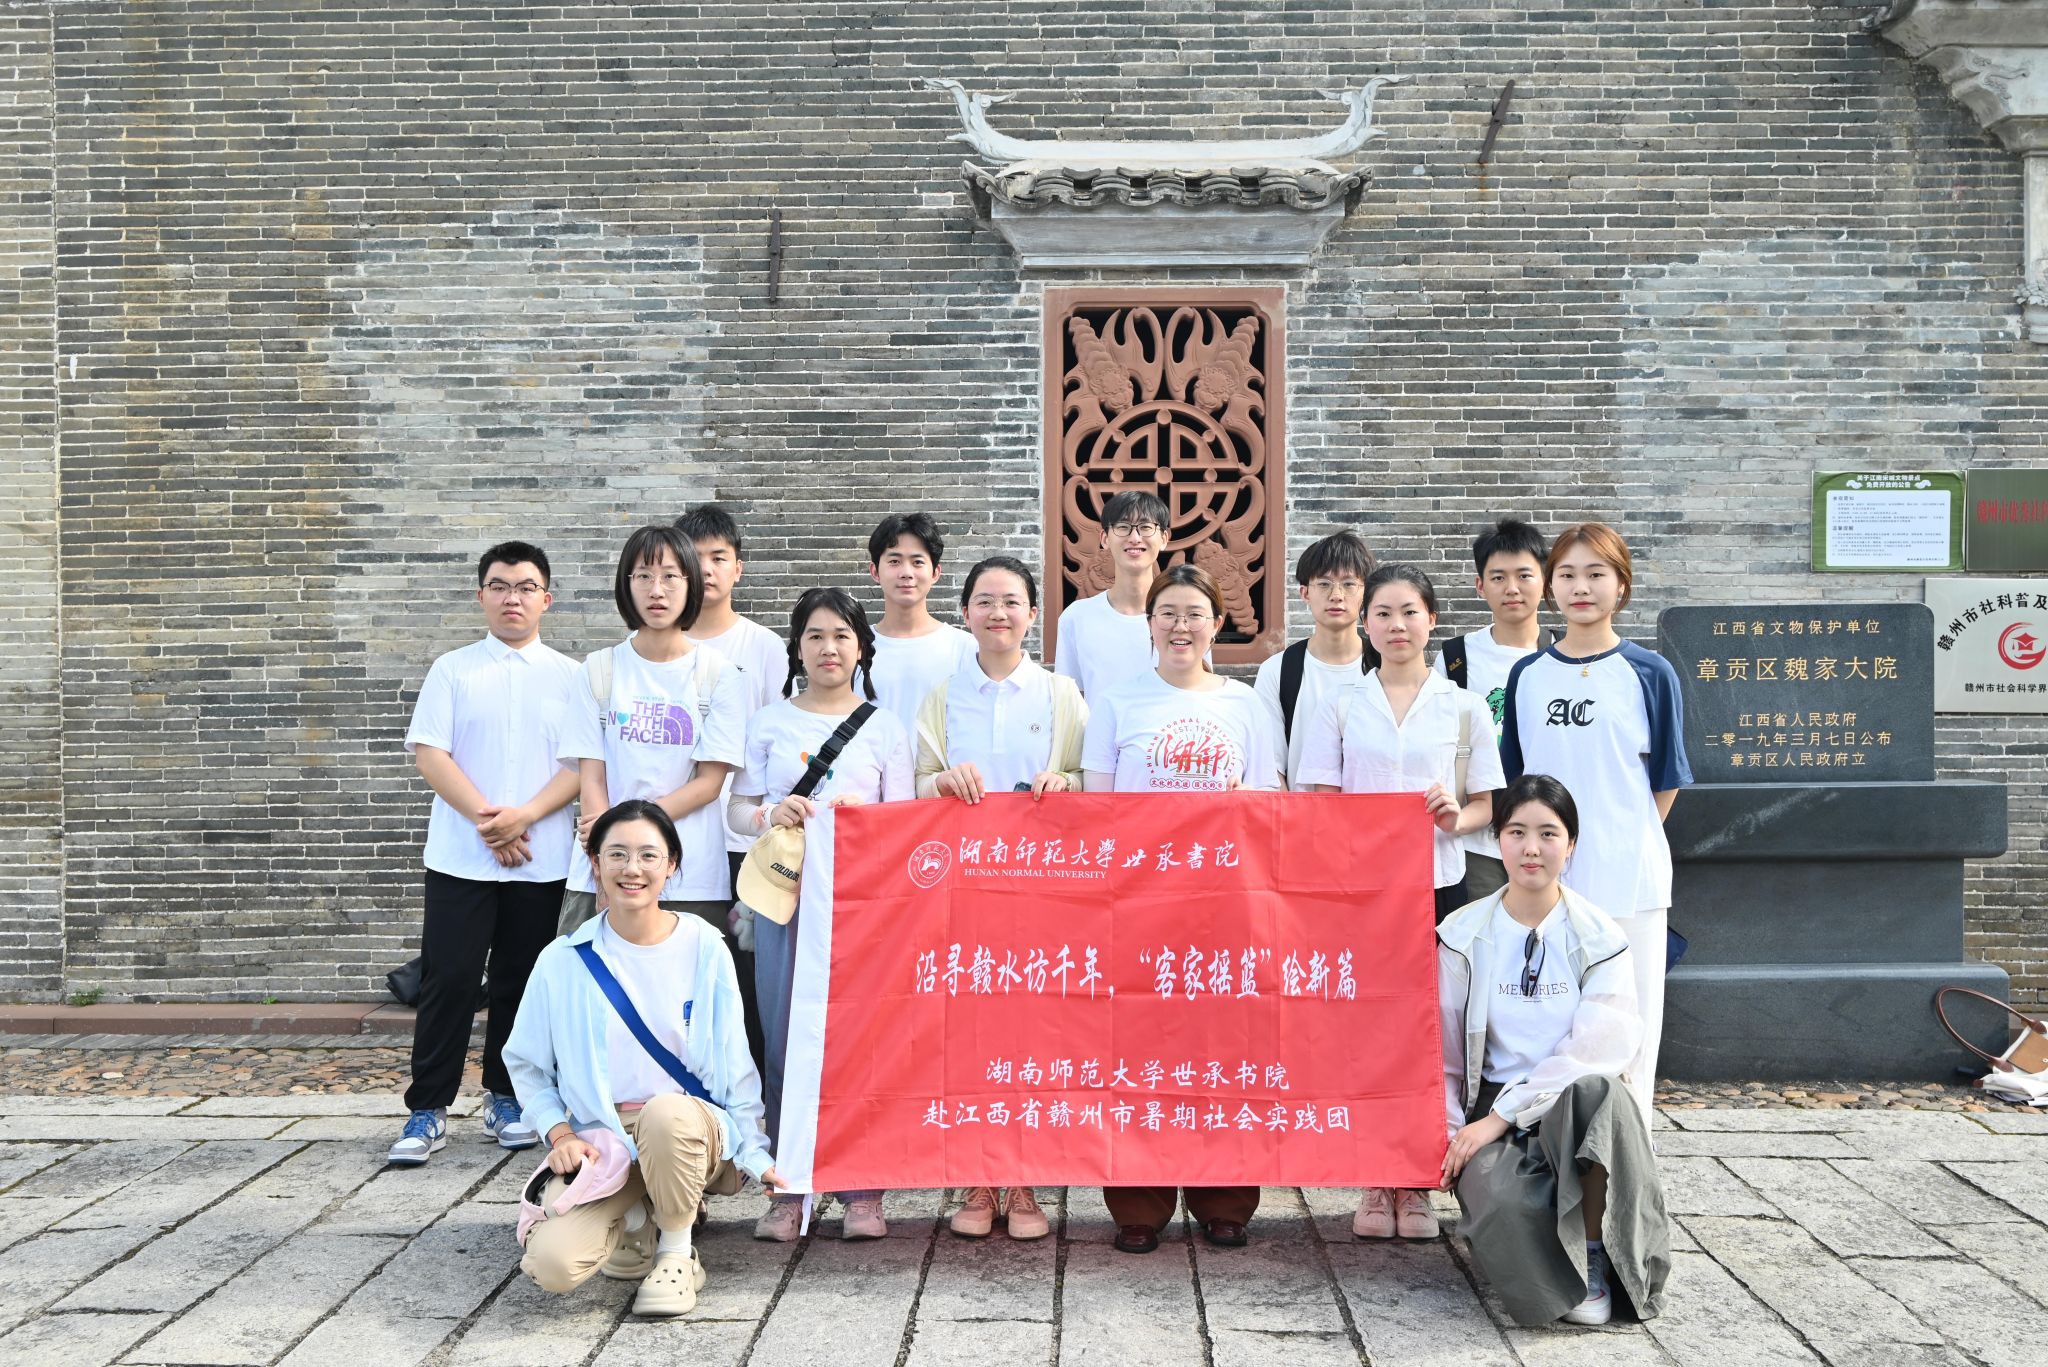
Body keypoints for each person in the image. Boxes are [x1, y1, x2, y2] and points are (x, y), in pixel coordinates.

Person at [506, 800, 781, 1319]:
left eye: (648, 855)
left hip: (689, 1128)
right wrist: (560, 1135)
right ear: (595, 863)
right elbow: (526, 1064)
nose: (632, 869)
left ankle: (676, 1252)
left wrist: (755, 1153)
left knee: (665, 1114)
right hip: (605, 1139)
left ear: (671, 864)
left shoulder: (704, 946)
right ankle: (638, 1216)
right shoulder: (561, 961)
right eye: (617, 854)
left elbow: (734, 1060)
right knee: (553, 1264)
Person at [1296, 563, 1502, 1241]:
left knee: (1430, 1031)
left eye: (1410, 612)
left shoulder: (1463, 707)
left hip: (1438, 885)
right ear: (1366, 623)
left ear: (1432, 620)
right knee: (1368, 1030)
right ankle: (1373, 1176)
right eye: (1383, 613)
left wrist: (1456, 819)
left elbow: (1486, 804)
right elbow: (1321, 801)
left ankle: (1416, 1181)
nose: (1396, 625)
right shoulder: (1340, 704)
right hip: (1361, 892)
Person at [1082, 563, 1279, 1253]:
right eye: (1167, 613)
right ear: (1150, 623)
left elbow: (1272, 808)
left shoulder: (1245, 705)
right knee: (1138, 1052)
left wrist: (1242, 804)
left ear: (1216, 623)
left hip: (1225, 908)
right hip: (1139, 907)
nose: (1180, 626)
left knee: (1224, 1051)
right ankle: (1138, 1202)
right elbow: (1098, 812)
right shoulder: (1117, 702)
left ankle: (1225, 1198)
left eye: (1195, 613)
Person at [1438, 774, 1670, 1328]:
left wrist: (1502, 1117)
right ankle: (1552, 1270)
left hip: (1572, 1107)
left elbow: (1597, 1051)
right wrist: (1449, 1134)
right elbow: (1442, 1054)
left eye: (1548, 833)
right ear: (1498, 839)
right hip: (1490, 1106)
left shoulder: (1600, 938)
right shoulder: (1462, 934)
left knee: (1600, 1091)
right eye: (1517, 832)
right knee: (1503, 1205)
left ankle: (1592, 1256)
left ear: (1571, 846)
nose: (1532, 848)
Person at [727, 587, 915, 1242]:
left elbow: (905, 824)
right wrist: (769, 813)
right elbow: (736, 810)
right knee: (783, 1040)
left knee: (860, 1044)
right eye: (815, 635)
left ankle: (863, 1189)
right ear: (797, 648)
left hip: (861, 913)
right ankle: (790, 1190)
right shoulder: (769, 722)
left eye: (841, 635)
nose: (829, 648)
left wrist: (866, 830)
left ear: (861, 647)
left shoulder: (885, 727)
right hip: (785, 905)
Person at [389, 542, 584, 1166]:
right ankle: (428, 1107)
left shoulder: (573, 677)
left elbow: (583, 764)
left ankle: (506, 1096)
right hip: (460, 858)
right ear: (481, 596)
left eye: (525, 587)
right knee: (448, 978)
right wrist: (489, 821)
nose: (512, 598)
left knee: (520, 982)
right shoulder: (453, 669)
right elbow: (430, 753)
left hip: (541, 856)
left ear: (546, 599)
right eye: (499, 586)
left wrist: (523, 818)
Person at [912, 555, 1086, 1241]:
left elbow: (1090, 777)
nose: (998, 613)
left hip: (1044, 891)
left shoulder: (1060, 695)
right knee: (971, 1033)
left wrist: (1066, 783)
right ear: (965, 614)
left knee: (1034, 1033)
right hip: (964, 891)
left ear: (1033, 614)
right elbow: (915, 782)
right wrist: (941, 783)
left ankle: (1025, 1179)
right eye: (984, 601)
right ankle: (979, 1177)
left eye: (1011, 601)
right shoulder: (942, 697)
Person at [1501, 522, 1691, 1124]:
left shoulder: (1650, 673)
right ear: (1550, 586)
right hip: (1545, 882)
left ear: (1622, 585)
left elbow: (1665, 780)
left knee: (1632, 1027)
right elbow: (1518, 781)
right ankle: (1546, 1155)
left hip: (1629, 878)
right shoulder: (1527, 676)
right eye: (1567, 574)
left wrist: (1622, 840)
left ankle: (1628, 1160)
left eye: (1596, 574)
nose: (1580, 587)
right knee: (1548, 1023)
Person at [557, 525, 748, 941]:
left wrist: (630, 835)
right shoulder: (599, 669)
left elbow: (708, 784)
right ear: (626, 584)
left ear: (690, 583)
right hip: (604, 870)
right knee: (589, 975)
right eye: (643, 575)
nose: (656, 590)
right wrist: (607, 864)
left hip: (690, 875)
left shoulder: (719, 675)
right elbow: (592, 778)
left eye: (670, 576)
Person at [677, 503, 787, 1073]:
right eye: (695, 558)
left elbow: (778, 737)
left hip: (745, 834)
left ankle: (753, 1092)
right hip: (676, 832)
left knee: (747, 967)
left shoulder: (764, 647)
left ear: (738, 567)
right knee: (685, 967)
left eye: (719, 557)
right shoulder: (654, 644)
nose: (707, 569)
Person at [1435, 518, 1553, 903]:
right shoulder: (1456, 658)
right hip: (1478, 842)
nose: (1512, 588)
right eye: (1498, 577)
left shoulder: (1565, 657)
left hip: (1550, 837)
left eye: (1524, 575)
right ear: (1480, 585)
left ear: (1545, 581)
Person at [1252, 530, 1375, 788]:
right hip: (1301, 811)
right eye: (1324, 584)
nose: (1336, 595)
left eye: (1349, 584)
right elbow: (1270, 767)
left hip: (1371, 810)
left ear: (1366, 593)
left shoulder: (1383, 667)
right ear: (1305, 592)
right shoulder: (1278, 671)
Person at [1054, 490, 1171, 702]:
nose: (1134, 538)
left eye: (1146, 527)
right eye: (1123, 527)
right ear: (1105, 538)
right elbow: (1069, 700)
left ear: (1164, 538)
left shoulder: (1183, 618)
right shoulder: (1077, 617)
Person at [864, 512, 974, 732]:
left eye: (917, 562)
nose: (906, 573)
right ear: (875, 571)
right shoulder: (853, 647)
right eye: (894, 561)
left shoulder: (966, 649)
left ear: (935, 573)